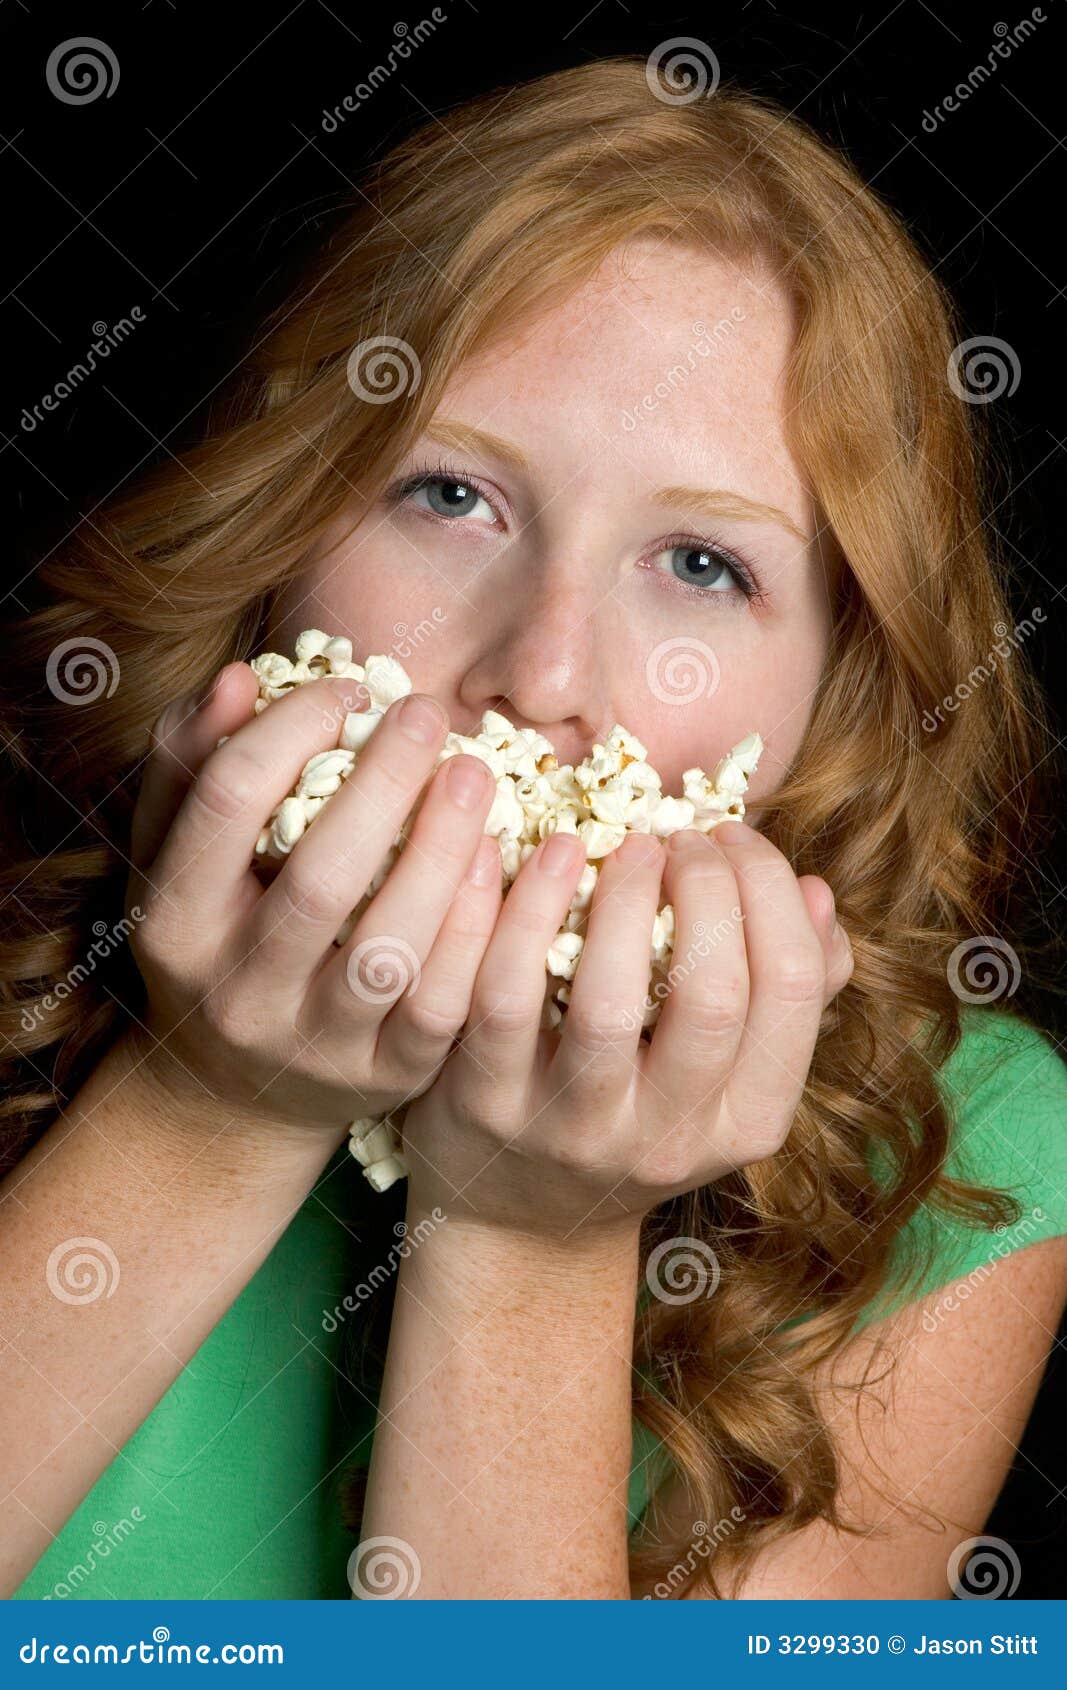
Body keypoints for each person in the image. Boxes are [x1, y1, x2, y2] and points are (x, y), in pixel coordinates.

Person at [3, 57, 1065, 1603]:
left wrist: (534, 1238)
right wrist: (208, 1104)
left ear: (835, 699)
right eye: (448, 496)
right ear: (283, 533)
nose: (541, 678)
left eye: (700, 564)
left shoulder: (970, 1161)